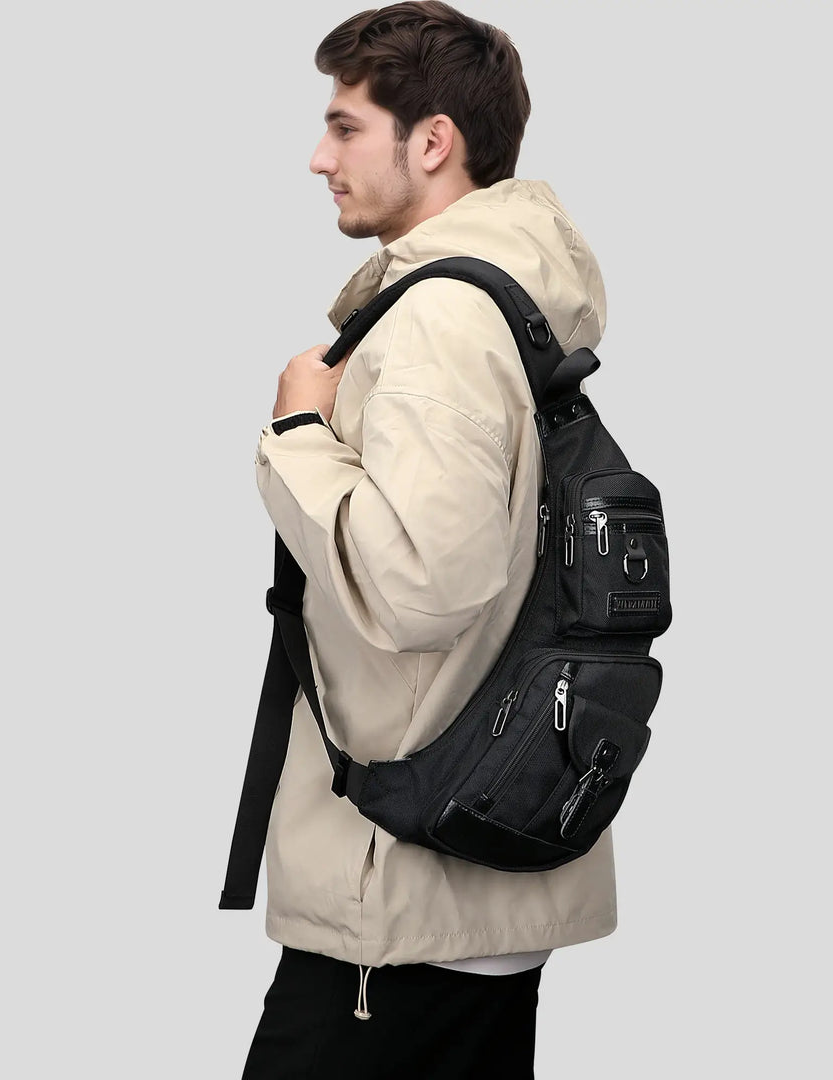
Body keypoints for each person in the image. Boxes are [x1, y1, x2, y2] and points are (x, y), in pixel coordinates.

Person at [240, 3, 612, 1076]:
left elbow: (421, 588)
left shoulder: (441, 323)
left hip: (398, 904)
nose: (320, 158)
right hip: (465, 870)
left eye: (346, 126)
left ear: (434, 140)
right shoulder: (510, 304)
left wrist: (298, 435)